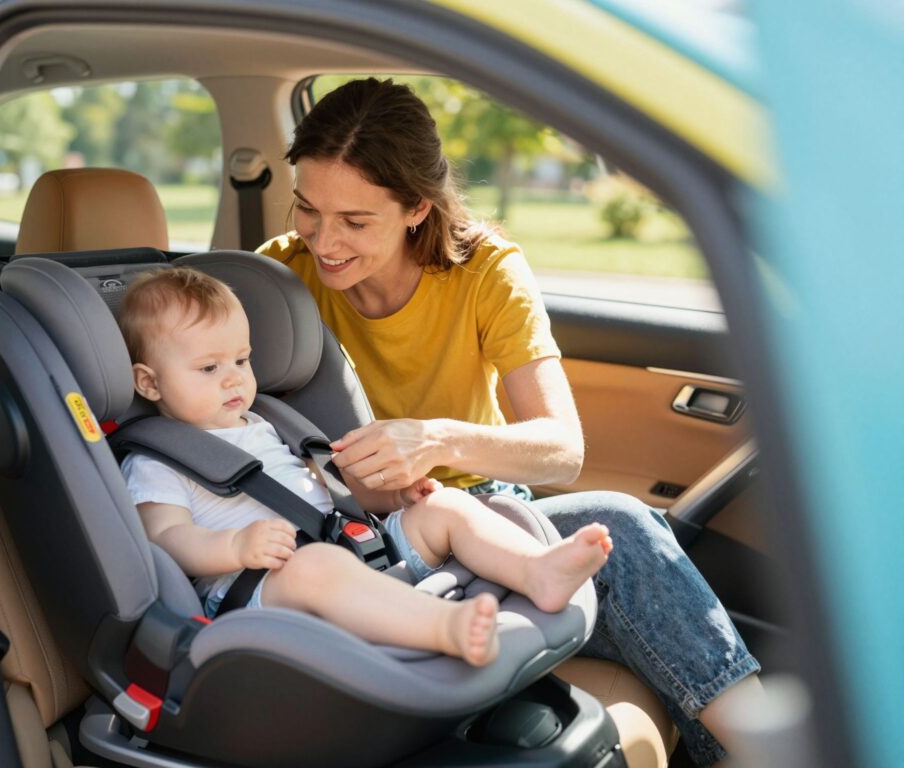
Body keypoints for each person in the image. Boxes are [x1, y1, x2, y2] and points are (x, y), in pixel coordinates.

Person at [257, 77, 763, 765]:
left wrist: (436, 439)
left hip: (484, 518)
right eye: (308, 209)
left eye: (355, 221)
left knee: (623, 528)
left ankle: (766, 750)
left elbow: (561, 451)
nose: (323, 240)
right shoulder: (275, 282)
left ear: (416, 209)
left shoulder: (485, 271)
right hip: (358, 542)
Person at [117, 267, 613, 667]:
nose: (234, 380)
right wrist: (233, 546)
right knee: (316, 566)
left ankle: (538, 571)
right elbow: (165, 540)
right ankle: (446, 627)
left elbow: (326, 489)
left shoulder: (266, 421)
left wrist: (394, 499)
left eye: (242, 361)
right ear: (150, 383)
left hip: (350, 547)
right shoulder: (157, 460)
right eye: (209, 368)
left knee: (448, 506)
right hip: (260, 593)